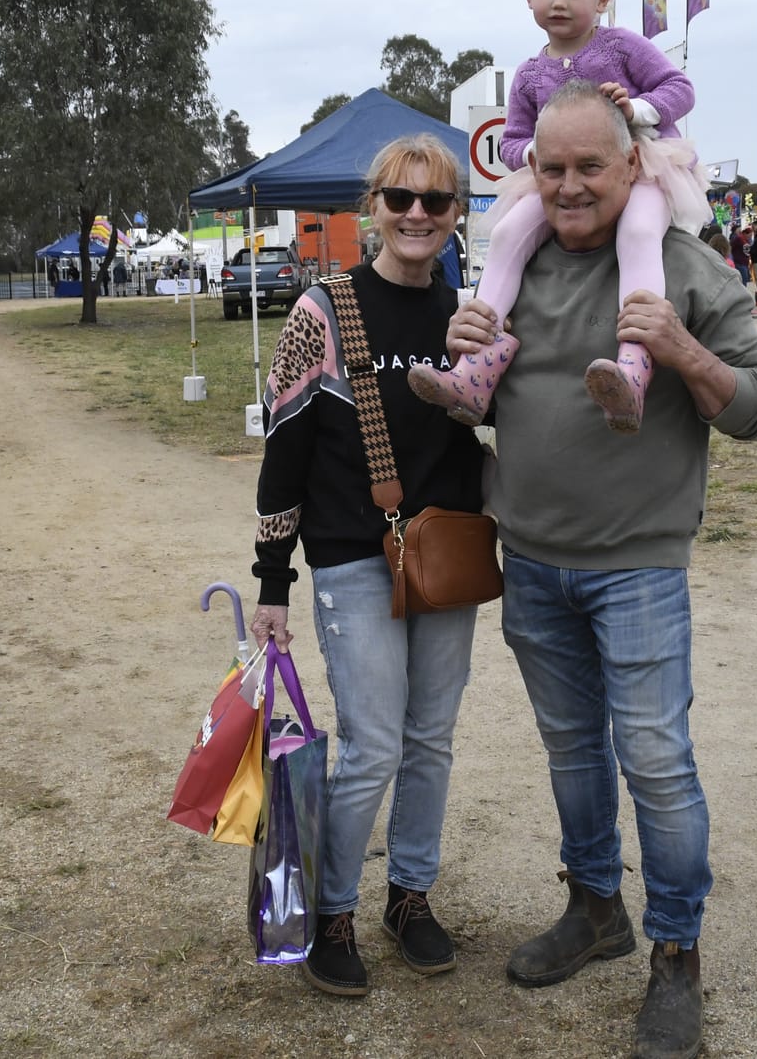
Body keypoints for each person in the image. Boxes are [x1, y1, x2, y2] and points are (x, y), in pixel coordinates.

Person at [441, 82, 757, 1059]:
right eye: (549, 167)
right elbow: (473, 408)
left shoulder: (679, 265)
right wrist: (464, 356)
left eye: (590, 166)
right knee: (572, 752)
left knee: (656, 764)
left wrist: (681, 351)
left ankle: (675, 959)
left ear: (634, 165)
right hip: (532, 561)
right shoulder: (516, 256)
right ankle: (596, 909)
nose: (568, 186)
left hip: (635, 568)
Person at [247, 134, 486, 999]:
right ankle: (333, 910)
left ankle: (409, 896)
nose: (417, 214)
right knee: (374, 745)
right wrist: (272, 581)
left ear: (457, 213)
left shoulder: (466, 312)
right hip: (354, 557)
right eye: (401, 198)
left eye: (436, 201)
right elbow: (284, 447)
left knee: (430, 741)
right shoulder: (324, 309)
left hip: (449, 554)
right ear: (370, 209)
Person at [412, 0, 706, 436]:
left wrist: (638, 109)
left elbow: (679, 88)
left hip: (642, 167)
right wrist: (535, 157)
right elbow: (511, 142)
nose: (560, 1)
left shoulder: (620, 46)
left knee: (638, 233)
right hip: (557, 180)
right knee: (504, 234)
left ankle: (634, 367)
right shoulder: (529, 73)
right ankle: (475, 368)